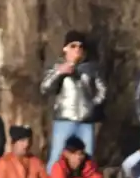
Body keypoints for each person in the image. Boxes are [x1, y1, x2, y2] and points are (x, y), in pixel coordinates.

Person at [41, 30, 107, 166]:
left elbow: (102, 90)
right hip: (64, 120)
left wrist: (92, 105)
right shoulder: (57, 67)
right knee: (57, 157)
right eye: (73, 46)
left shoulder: (91, 69)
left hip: (85, 122)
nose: (77, 49)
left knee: (87, 160)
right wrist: (59, 73)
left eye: (80, 46)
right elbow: (45, 88)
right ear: (65, 48)